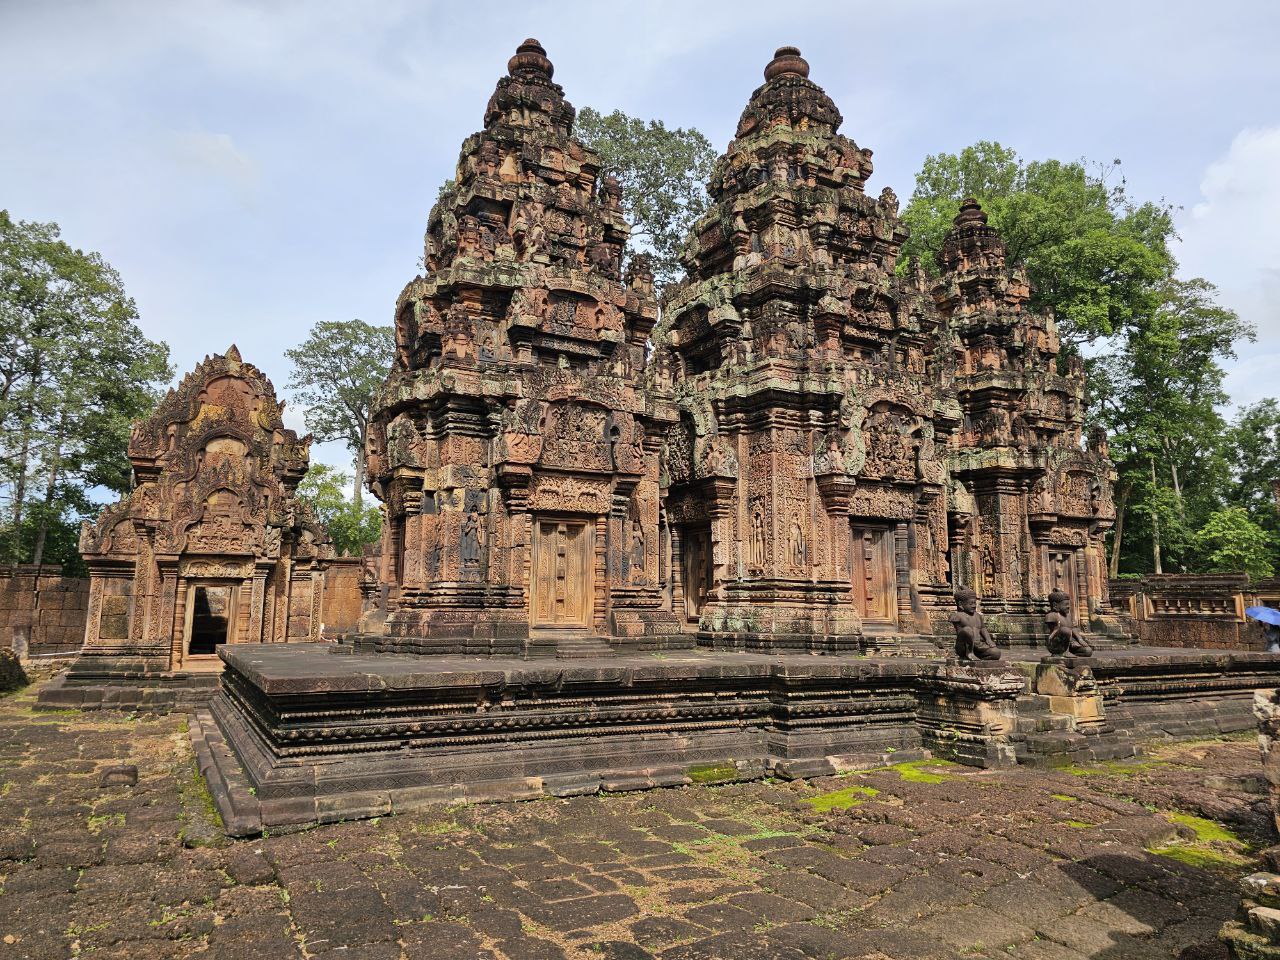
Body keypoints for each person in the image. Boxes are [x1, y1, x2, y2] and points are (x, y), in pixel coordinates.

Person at [947, 588, 1002, 662]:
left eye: (974, 603)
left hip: (978, 646)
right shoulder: (958, 616)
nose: (973, 606)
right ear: (960, 604)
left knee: (996, 653)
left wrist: (988, 640)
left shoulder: (978, 616)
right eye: (970, 604)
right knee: (967, 630)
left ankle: (981, 661)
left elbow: (983, 628)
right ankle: (969, 653)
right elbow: (959, 632)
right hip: (964, 647)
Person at [1044, 588, 1094, 657]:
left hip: (1069, 644)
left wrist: (1080, 639)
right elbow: (1055, 632)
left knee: (1088, 651)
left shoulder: (1069, 615)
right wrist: (1068, 638)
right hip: (1056, 644)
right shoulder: (1052, 615)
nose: (1068, 607)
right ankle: (1063, 653)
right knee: (1065, 630)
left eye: (1069, 604)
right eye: (1065, 604)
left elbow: (1073, 628)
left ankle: (1070, 654)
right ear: (1055, 605)